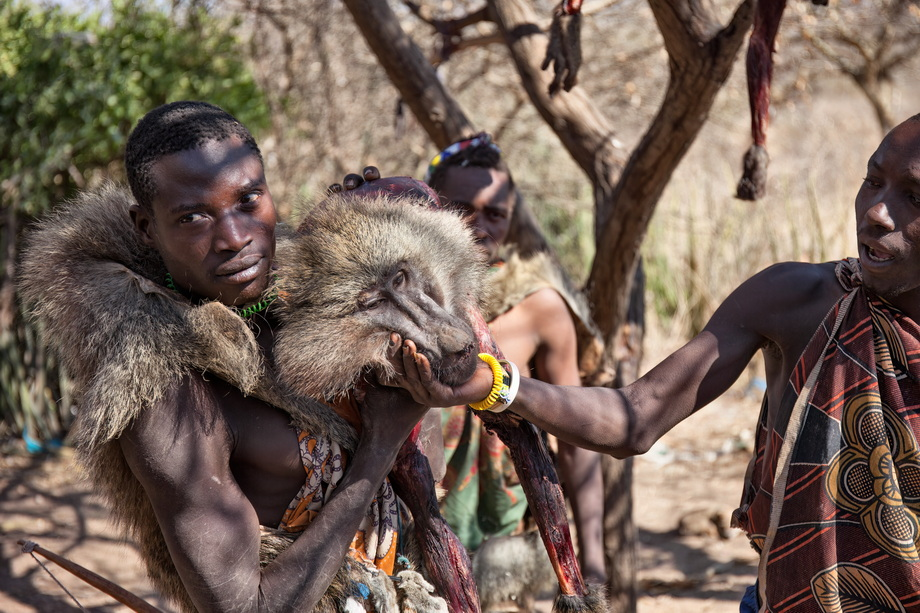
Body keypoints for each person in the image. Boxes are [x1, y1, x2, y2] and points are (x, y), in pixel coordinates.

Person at [395, 114, 920, 611]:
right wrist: (497, 386)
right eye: (872, 181)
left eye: (913, 197)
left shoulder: (537, 300)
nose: (877, 212)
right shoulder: (799, 300)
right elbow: (636, 417)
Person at [18, 101, 449, 613]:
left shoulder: (307, 303)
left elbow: (431, 465)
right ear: (145, 228)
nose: (235, 238)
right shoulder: (164, 397)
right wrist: (378, 446)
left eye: (248, 199)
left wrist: (388, 241)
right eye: (194, 217)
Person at [424, 133, 607, 585]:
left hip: (503, 544)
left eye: (495, 213)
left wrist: (592, 563)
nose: (479, 225)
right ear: (428, 205)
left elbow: (575, 435)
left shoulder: (536, 305)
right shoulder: (396, 300)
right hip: (412, 526)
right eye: (461, 208)